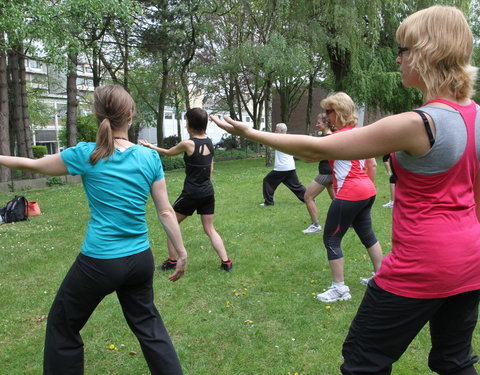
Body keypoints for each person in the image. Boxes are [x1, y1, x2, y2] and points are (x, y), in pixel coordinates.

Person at [211, 5, 480, 374]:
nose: (398, 58)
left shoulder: (419, 123)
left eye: (403, 50)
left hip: (423, 264)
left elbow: (315, 149)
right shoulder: (477, 116)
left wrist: (249, 132)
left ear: (425, 54)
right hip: (470, 261)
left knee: (362, 362)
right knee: (455, 361)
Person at [0, 84, 187, 374]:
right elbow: (164, 210)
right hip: (140, 260)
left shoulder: (88, 154)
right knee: (149, 326)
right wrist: (181, 251)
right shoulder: (148, 157)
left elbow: (33, 165)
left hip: (101, 261)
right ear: (130, 114)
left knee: (63, 326)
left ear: (97, 114)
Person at [139, 108, 233, 272]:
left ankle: (172, 261)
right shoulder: (210, 142)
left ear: (190, 124)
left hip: (192, 193)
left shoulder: (188, 144)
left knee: (171, 224)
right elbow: (210, 167)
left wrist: (149, 146)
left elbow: (168, 153)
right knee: (210, 229)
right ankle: (226, 262)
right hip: (208, 192)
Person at [302, 113, 336, 233]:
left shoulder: (326, 138)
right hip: (331, 173)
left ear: (326, 123)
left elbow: (317, 155)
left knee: (308, 197)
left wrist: (307, 158)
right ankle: (349, 222)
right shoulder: (331, 136)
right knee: (337, 200)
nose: (317, 125)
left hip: (326, 174)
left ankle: (315, 225)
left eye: (319, 123)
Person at [260, 122, 306, 207]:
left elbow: (268, 140)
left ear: (281, 131)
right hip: (290, 167)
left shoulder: (280, 140)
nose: (275, 131)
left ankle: (268, 202)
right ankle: (308, 199)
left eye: (276, 130)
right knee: (296, 185)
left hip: (282, 168)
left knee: (267, 181)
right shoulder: (289, 139)